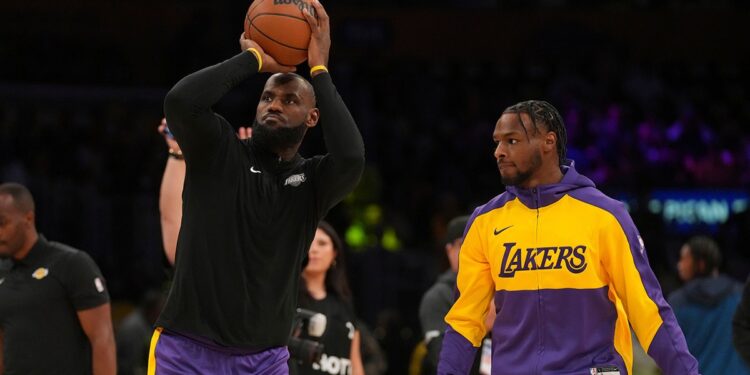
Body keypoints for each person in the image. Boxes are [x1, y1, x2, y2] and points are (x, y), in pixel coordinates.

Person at [148, 0, 365, 372]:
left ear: (313, 117)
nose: (274, 105)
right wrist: (252, 60)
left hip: (263, 358)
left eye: (289, 100)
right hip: (186, 349)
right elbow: (180, 102)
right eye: (267, 97)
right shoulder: (219, 151)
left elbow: (351, 158)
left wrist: (319, 70)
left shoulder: (312, 182)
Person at [437, 100, 699, 374]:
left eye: (511, 141)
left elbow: (649, 313)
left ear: (548, 142)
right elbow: (464, 322)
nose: (499, 152)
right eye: (497, 142)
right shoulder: (485, 222)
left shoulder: (605, 216)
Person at [0, 182, 116, 374]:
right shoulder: (2, 272)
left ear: (28, 218)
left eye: (2, 223)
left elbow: (102, 340)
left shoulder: (71, 264)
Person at [419, 215, 492, 375]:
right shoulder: (437, 297)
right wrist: (486, 324)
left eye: (476, 244)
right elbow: (439, 358)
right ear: (449, 250)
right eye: (462, 244)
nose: (469, 250)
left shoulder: (501, 287)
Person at [291, 221, 365, 375]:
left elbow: (355, 362)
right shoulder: (286, 300)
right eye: (309, 242)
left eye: (322, 243)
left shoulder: (344, 303)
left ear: (335, 253)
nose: (314, 249)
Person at [667, 235, 748, 374]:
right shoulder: (741, 295)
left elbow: (669, 355)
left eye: (684, 259)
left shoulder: (676, 302)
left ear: (701, 263)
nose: (679, 265)